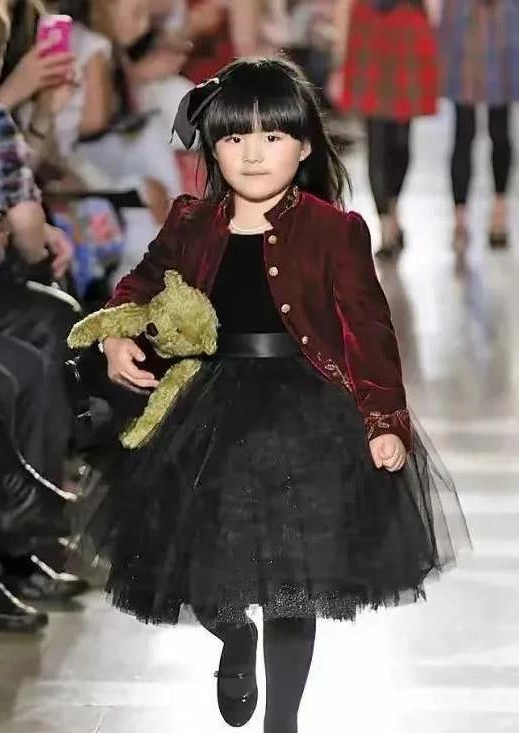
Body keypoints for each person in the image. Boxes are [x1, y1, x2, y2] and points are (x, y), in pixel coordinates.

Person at [70, 57, 469, 732]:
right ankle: (234, 636)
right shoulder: (192, 221)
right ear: (212, 145)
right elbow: (138, 285)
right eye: (234, 137)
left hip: (305, 416)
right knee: (199, 560)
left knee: (293, 582)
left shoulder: (334, 229)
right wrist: (115, 334)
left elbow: (369, 331)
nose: (253, 154)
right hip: (208, 410)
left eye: (273, 136)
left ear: (305, 145)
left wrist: (384, 419)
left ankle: (283, 723)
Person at [335, 0, 439, 257]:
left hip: (406, 30)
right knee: (378, 138)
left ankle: (393, 208)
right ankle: (385, 226)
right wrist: (339, 55)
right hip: (369, 29)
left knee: (401, 140)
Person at [438, 0, 519, 251]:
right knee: (464, 131)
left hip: (503, 26)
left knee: (499, 129)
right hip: (464, 27)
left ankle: (499, 210)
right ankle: (460, 217)